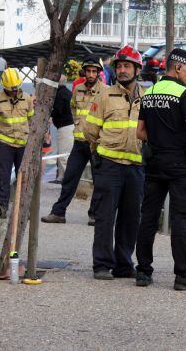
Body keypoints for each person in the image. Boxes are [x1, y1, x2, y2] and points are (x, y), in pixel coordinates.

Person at [135, 49, 186, 291]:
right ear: (178, 68)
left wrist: (159, 139)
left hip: (155, 162)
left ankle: (143, 272)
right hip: (180, 164)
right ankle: (183, 276)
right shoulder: (184, 94)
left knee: (148, 217)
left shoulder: (150, 92)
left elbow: (139, 132)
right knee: (180, 220)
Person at [84, 46, 145, 280]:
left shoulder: (147, 97)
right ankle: (101, 265)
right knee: (105, 218)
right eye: (119, 66)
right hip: (109, 165)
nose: (121, 70)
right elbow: (90, 130)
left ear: (137, 69)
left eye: (127, 66)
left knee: (131, 219)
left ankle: (123, 264)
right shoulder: (105, 96)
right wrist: (101, 151)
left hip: (136, 168)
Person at [41, 57, 106, 225]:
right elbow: (73, 108)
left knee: (98, 181)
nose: (91, 74)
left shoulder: (105, 91)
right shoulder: (78, 89)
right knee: (69, 177)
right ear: (84, 72)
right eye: (88, 71)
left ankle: (94, 215)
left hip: (96, 144)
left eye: (94, 71)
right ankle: (58, 213)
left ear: (98, 73)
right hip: (79, 143)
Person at [0, 68, 34, 218]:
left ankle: (24, 210)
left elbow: (31, 120)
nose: (14, 92)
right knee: (3, 178)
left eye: (16, 89)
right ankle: (2, 208)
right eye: (11, 90)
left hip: (23, 144)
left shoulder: (27, 99)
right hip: (5, 144)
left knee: (24, 179)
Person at [51, 75, 74, 182]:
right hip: (68, 127)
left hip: (65, 128)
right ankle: (61, 177)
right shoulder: (67, 93)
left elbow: (57, 111)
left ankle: (65, 179)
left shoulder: (59, 94)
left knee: (64, 155)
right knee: (62, 153)